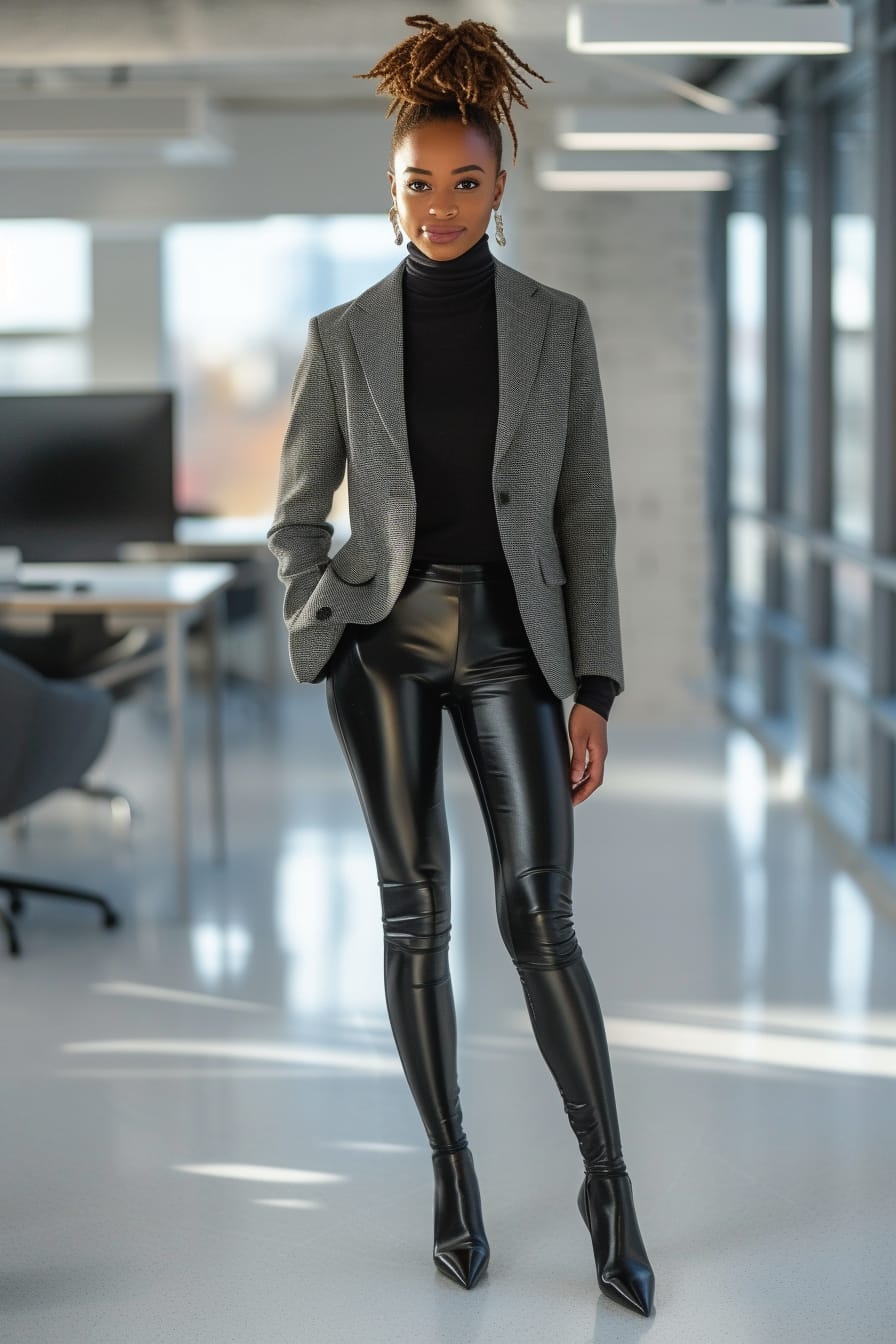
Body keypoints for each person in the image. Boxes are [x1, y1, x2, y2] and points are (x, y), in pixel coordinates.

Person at [267, 12, 656, 1316]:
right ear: (391, 195)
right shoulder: (340, 336)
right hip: (382, 648)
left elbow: (584, 519)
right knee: (411, 915)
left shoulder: (556, 328)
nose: (439, 206)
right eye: (416, 186)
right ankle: (451, 1172)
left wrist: (591, 688)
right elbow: (295, 512)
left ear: (502, 186)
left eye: (464, 182)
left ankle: (609, 1188)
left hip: (510, 647)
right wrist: (313, 621)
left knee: (540, 917)